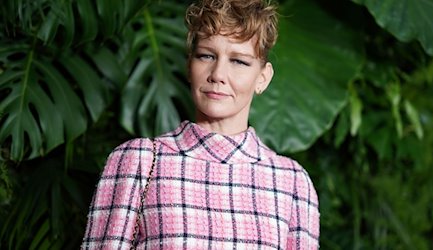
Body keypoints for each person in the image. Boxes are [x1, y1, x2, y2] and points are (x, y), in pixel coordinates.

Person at [81, 0, 319, 249]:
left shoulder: (292, 182)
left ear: (262, 78)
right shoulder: (139, 161)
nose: (217, 74)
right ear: (189, 65)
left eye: (239, 61)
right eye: (207, 55)